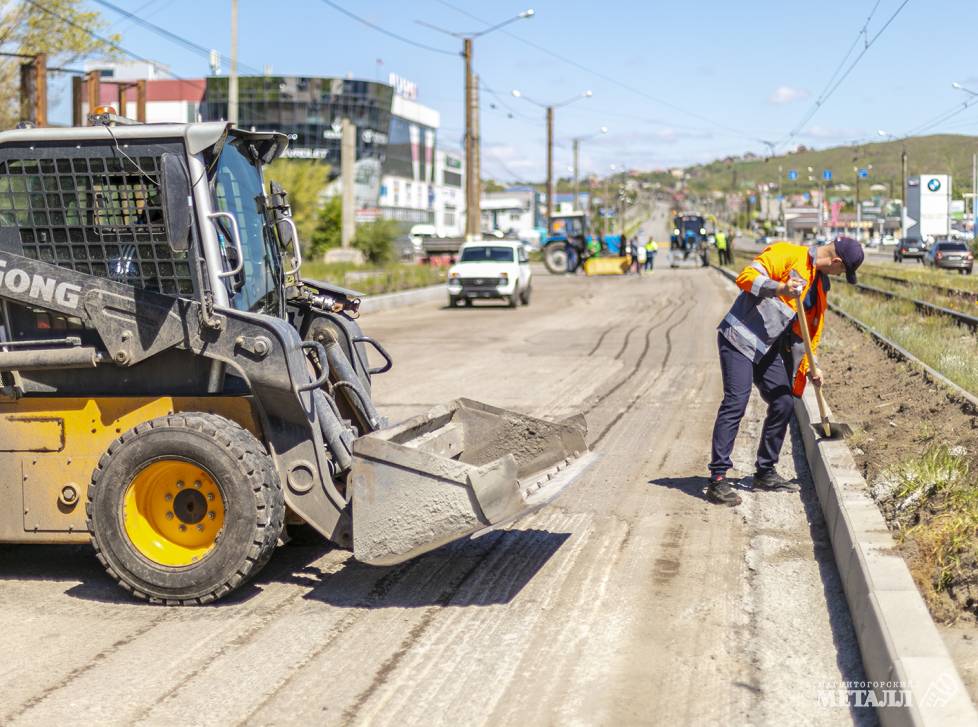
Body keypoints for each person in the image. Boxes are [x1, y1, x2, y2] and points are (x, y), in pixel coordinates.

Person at [705, 237, 865, 506]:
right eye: (842, 272)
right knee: (736, 402)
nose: (839, 276)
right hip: (739, 339)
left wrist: (810, 366)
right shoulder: (788, 254)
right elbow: (747, 276)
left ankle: (765, 471)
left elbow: (804, 333)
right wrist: (780, 288)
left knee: (784, 402)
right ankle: (718, 479)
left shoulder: (818, 284)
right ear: (836, 262)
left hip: (766, 348)